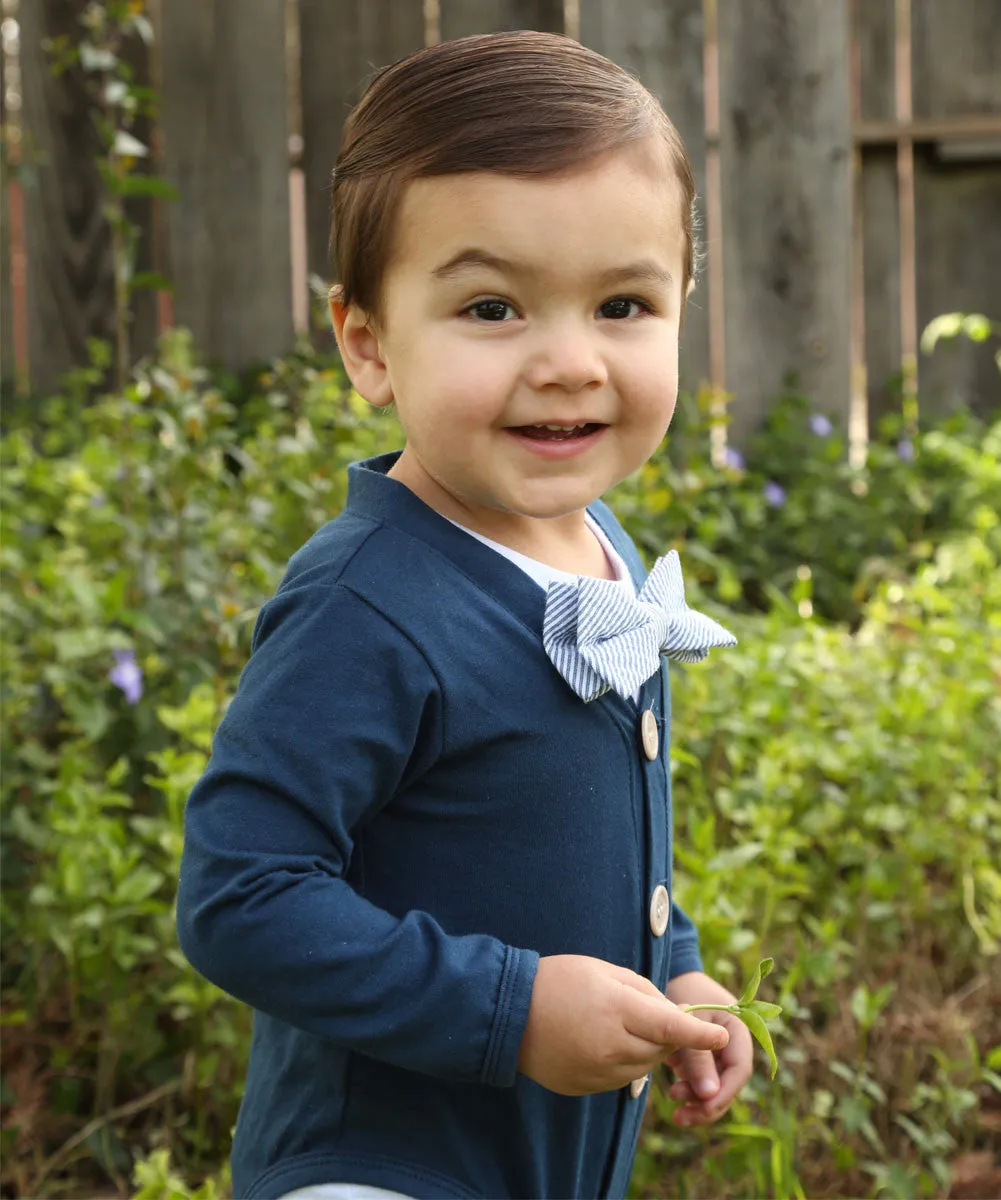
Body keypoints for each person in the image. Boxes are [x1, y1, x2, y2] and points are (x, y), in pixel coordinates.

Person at [176, 29, 755, 1200]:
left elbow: (580, 836)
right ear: (368, 344)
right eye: (492, 309)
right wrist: (513, 1006)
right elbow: (240, 895)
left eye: (622, 304)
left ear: (683, 305)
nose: (567, 362)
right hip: (378, 1165)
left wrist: (676, 974)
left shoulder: (597, 548)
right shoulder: (367, 604)